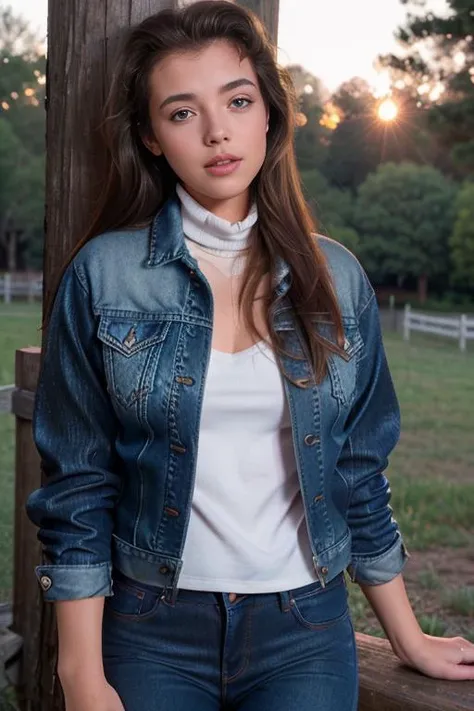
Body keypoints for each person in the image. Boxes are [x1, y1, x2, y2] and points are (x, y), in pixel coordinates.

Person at [26, 2, 474, 710]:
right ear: (149, 137)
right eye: (181, 113)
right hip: (151, 628)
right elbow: (79, 480)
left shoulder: (338, 278)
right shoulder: (104, 276)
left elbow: (357, 469)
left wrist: (409, 637)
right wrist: (82, 675)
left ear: (269, 112)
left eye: (237, 100)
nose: (217, 131)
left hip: (305, 629)